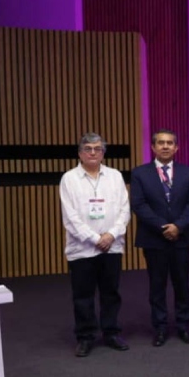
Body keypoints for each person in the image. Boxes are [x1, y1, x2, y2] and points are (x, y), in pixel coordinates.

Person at [59, 133, 131, 357]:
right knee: (83, 295)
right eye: (88, 148)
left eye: (97, 149)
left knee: (111, 293)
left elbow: (124, 210)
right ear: (80, 153)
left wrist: (110, 235)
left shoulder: (115, 176)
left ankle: (111, 332)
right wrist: (95, 238)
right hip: (82, 249)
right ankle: (85, 336)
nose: (92, 152)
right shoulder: (69, 179)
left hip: (112, 246)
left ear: (103, 153)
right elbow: (70, 217)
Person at [131, 129, 189, 347]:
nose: (165, 146)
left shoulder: (187, 172)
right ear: (153, 147)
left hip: (181, 237)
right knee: (157, 285)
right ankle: (160, 328)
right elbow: (139, 204)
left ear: (176, 147)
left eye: (170, 143)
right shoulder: (140, 173)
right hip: (154, 238)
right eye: (160, 143)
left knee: (182, 284)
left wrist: (178, 226)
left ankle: (183, 326)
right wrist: (163, 227)